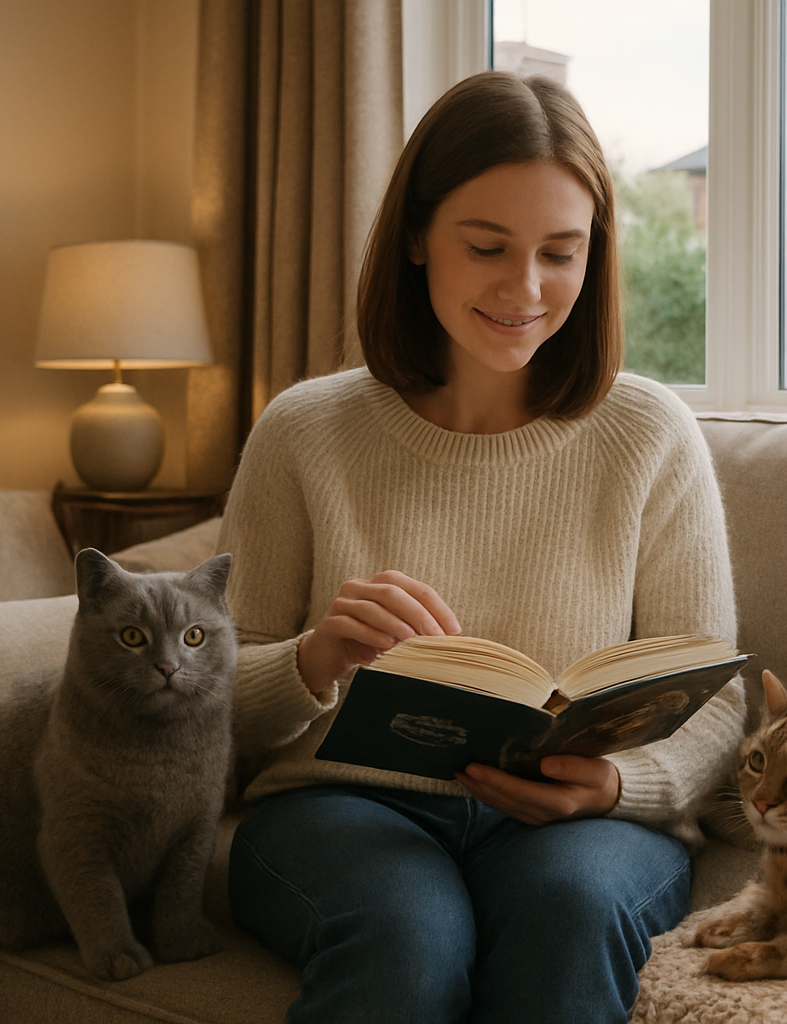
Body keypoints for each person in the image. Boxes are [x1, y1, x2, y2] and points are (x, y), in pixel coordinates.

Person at [220, 70, 744, 1024]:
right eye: (488, 247)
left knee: (572, 913)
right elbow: (210, 697)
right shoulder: (303, 431)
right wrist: (312, 659)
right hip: (343, 809)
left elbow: (713, 697)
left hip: (584, 828)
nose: (527, 288)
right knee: (404, 942)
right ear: (418, 238)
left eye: (562, 252)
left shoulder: (651, 433)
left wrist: (619, 783)